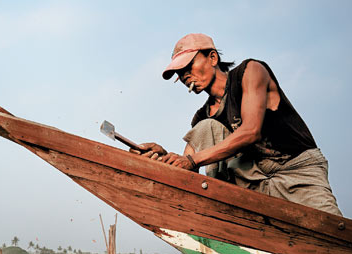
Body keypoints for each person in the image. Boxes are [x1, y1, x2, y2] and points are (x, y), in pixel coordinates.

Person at [135, 33, 341, 216]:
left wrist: (191, 160)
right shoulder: (202, 118)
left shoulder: (250, 72)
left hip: (296, 170)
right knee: (205, 128)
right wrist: (162, 159)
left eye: (189, 66)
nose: (184, 75)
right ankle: (224, 215)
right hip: (254, 178)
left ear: (212, 58)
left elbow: (250, 132)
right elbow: (188, 167)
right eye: (179, 73)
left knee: (336, 236)